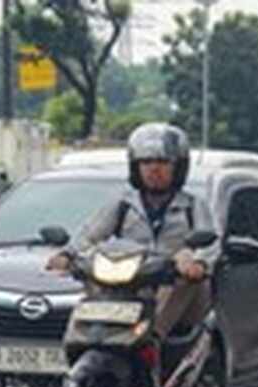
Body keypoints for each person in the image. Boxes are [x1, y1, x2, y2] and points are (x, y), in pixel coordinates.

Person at [46, 122, 219, 350]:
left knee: (185, 276)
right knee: (92, 274)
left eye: (163, 162)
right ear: (135, 167)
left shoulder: (193, 206)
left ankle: (153, 336)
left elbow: (212, 242)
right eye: (146, 162)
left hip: (178, 292)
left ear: (178, 167)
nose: (154, 169)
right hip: (133, 283)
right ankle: (88, 339)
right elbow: (90, 234)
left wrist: (198, 263)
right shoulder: (123, 205)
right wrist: (67, 255)